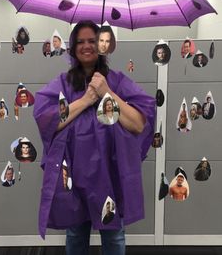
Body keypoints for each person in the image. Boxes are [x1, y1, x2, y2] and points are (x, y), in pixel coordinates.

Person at [33, 20, 155, 254]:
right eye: (80, 41)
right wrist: (86, 100)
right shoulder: (63, 84)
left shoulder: (118, 81)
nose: (87, 46)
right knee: (76, 235)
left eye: (92, 40)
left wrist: (107, 93)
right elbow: (47, 120)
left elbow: (139, 124)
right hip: (75, 175)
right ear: (72, 47)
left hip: (110, 174)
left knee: (114, 237)